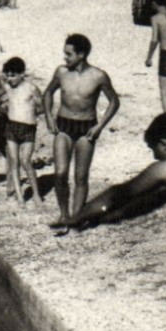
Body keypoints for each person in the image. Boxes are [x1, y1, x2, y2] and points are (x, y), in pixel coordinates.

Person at [53, 113, 166, 231]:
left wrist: (78, 217)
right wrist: (106, 217)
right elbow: (149, 202)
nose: (155, 156)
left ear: (164, 144)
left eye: (153, 149)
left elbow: (119, 193)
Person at [43, 33, 121, 222]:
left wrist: (100, 126)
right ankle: (64, 214)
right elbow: (47, 93)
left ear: (81, 54)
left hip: (87, 128)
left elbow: (114, 101)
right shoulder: (61, 72)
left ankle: (75, 218)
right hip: (64, 125)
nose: (65, 58)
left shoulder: (98, 76)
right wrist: (48, 117)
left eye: (69, 54)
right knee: (60, 173)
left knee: (80, 176)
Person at [0, 57, 44, 206]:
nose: (10, 79)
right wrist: (0, 107)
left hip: (28, 128)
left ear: (22, 74)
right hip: (11, 127)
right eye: (8, 75)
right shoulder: (7, 87)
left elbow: (42, 106)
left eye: (13, 75)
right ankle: (20, 196)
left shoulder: (31, 88)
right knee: (14, 162)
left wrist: (30, 113)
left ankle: (36, 194)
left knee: (26, 161)